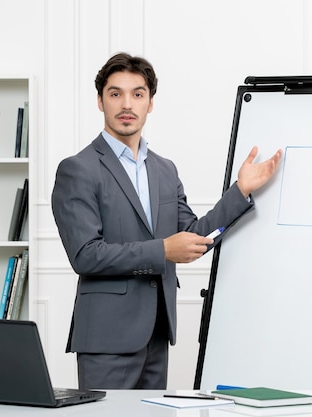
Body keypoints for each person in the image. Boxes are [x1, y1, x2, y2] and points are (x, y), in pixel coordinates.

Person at [51, 52, 282, 390]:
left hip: (157, 333)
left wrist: (240, 190)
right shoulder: (78, 169)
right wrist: (162, 250)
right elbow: (86, 254)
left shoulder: (164, 169)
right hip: (106, 339)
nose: (127, 103)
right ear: (100, 101)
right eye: (115, 93)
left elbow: (196, 238)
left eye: (138, 94)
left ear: (150, 103)